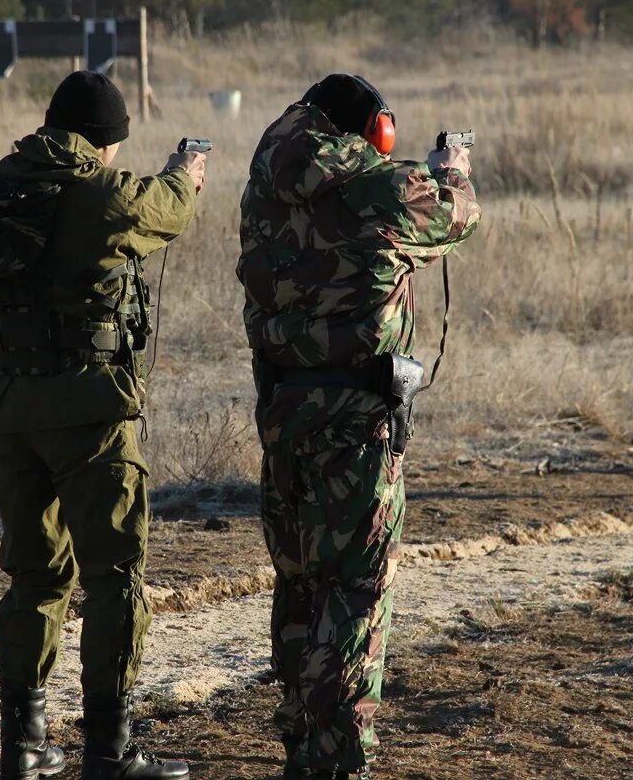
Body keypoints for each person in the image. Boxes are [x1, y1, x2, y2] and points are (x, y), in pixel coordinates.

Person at [0, 71, 206, 780]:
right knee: (116, 576)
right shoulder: (99, 194)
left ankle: (22, 748)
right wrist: (185, 170)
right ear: (106, 141)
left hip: (10, 404)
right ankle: (110, 752)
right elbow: (171, 209)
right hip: (87, 411)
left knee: (34, 576)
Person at [237, 74, 482, 779]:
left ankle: (301, 743)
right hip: (356, 418)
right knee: (356, 591)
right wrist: (451, 172)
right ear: (371, 132)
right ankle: (339, 759)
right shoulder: (378, 186)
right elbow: (457, 217)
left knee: (301, 587)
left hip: (284, 414)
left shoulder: (265, 184)